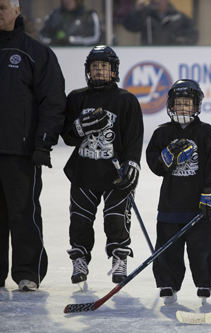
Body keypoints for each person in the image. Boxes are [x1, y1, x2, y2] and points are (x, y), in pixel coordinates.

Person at [61, 45, 144, 287]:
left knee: (116, 219)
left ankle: (119, 258)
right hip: (84, 172)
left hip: (115, 174)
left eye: (104, 67)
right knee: (80, 220)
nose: (99, 71)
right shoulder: (76, 98)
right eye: (94, 67)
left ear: (114, 71)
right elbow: (66, 136)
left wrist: (132, 165)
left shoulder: (126, 100)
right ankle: (80, 259)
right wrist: (79, 128)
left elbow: (134, 138)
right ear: (88, 70)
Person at [0, 0, 66, 292]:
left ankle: (28, 272)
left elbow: (52, 102)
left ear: (16, 10)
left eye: (1, 6)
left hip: (20, 151)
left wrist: (43, 143)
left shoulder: (36, 53)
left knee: (23, 212)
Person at [146, 79, 211, 304]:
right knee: (168, 248)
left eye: (187, 103)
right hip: (170, 203)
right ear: (171, 104)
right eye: (178, 103)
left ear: (197, 105)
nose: (182, 108)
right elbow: (154, 163)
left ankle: (204, 282)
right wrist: (164, 159)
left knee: (203, 247)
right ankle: (168, 284)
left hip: (199, 204)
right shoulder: (162, 133)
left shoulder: (207, 133)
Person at [123, 0, 198, 45]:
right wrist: (136, 11)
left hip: (172, 56)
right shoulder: (146, 16)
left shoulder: (178, 17)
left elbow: (193, 35)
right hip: (148, 55)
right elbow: (130, 26)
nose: (157, 1)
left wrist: (182, 41)